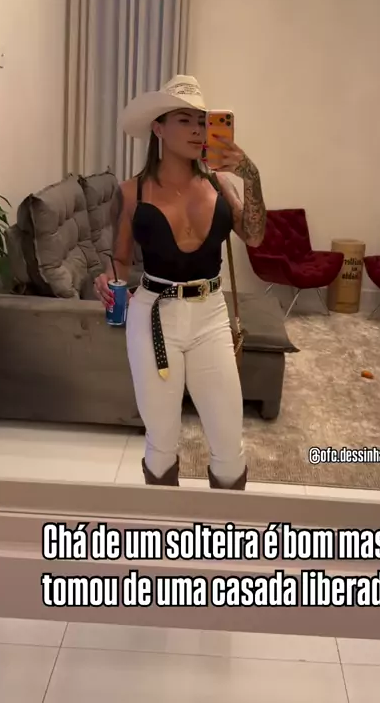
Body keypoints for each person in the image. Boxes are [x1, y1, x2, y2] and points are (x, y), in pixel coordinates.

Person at [94, 75, 267, 490]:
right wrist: (109, 279)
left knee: (229, 442)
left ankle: (225, 528)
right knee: (161, 442)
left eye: (202, 121)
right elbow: (120, 259)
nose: (197, 131)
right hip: (153, 316)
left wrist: (251, 174)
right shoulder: (131, 192)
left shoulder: (219, 185)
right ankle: (163, 527)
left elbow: (255, 236)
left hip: (211, 315)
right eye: (184, 120)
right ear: (158, 128)